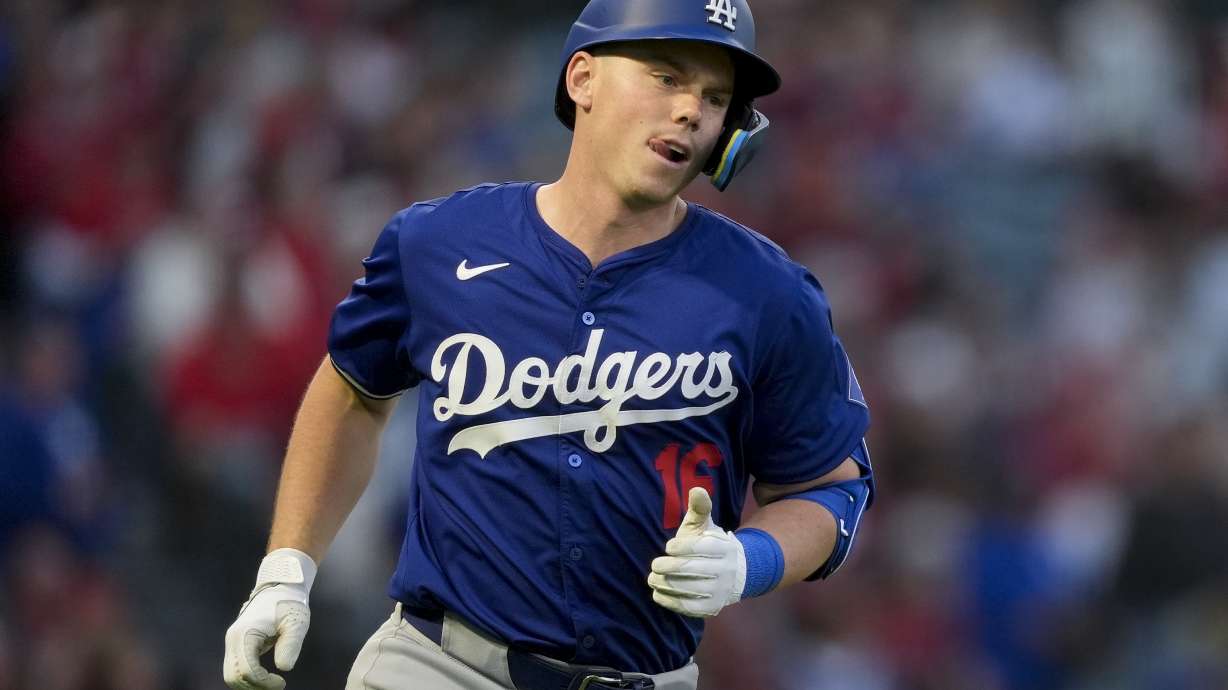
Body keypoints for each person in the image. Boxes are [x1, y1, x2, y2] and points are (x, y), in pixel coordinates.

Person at [223, 1, 875, 689]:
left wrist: (751, 560)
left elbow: (832, 492)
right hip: (438, 662)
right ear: (582, 79)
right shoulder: (439, 244)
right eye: (665, 76)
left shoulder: (768, 292)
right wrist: (285, 573)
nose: (691, 110)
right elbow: (354, 394)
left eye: (715, 98)